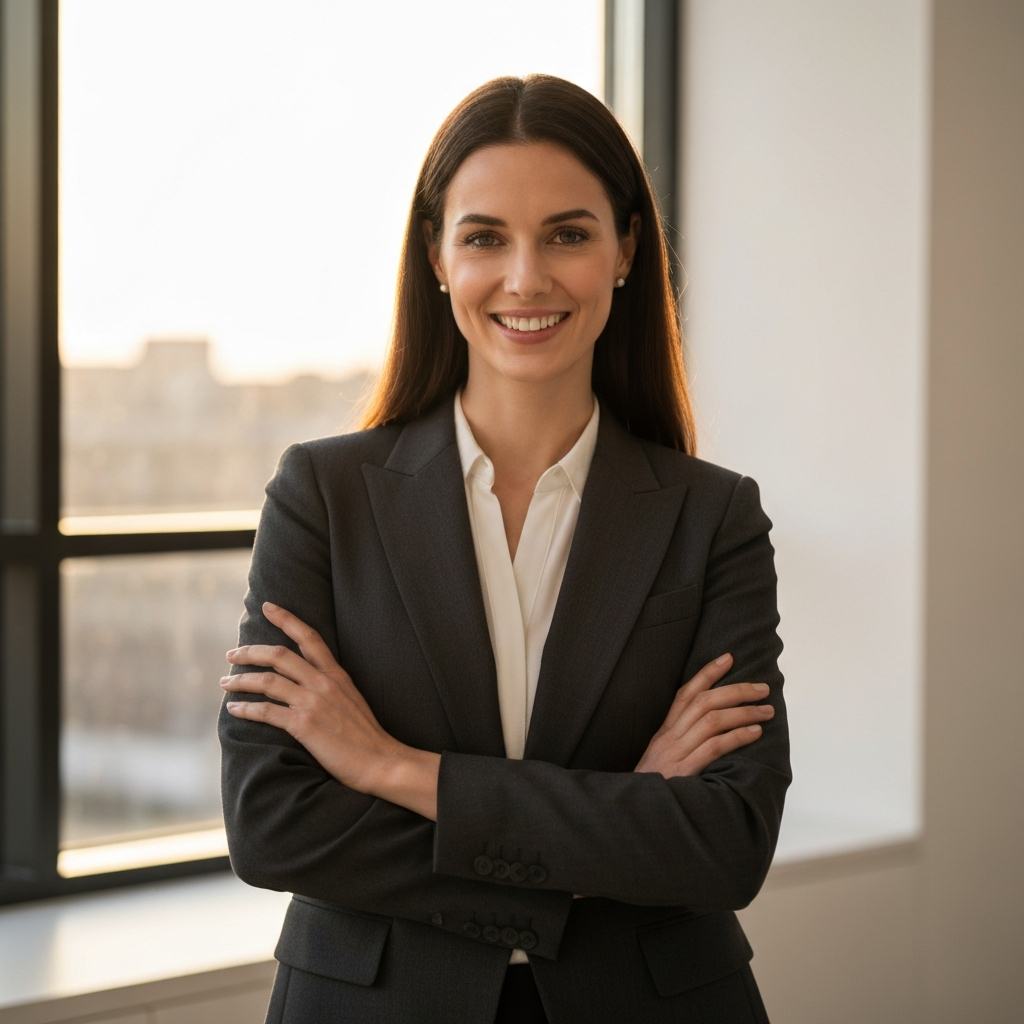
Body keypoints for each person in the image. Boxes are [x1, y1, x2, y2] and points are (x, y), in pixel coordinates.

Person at [219, 75, 788, 1024]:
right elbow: (274, 825)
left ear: (625, 252)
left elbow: (728, 840)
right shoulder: (323, 495)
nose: (526, 277)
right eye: (485, 236)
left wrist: (393, 768)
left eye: (568, 233)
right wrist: (613, 822)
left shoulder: (713, 516)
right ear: (438, 259)